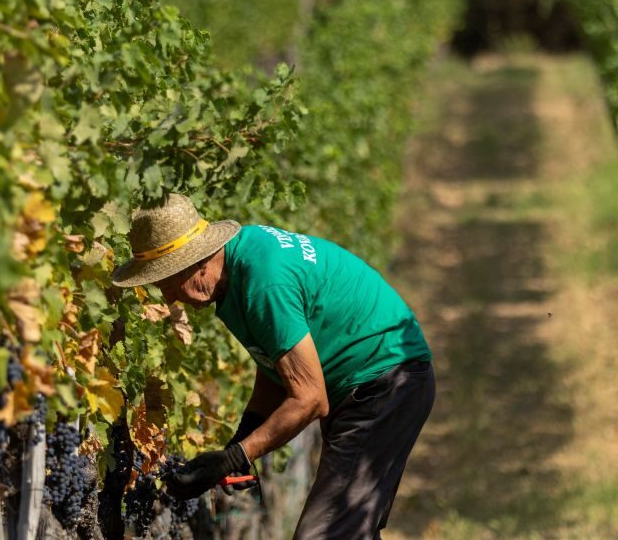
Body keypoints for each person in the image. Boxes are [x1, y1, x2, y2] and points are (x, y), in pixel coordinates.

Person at [111, 193, 435, 540]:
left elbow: (310, 398)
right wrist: (242, 437)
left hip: (386, 383)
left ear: (195, 263)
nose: (170, 298)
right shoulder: (236, 269)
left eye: (166, 282)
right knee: (348, 530)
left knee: (322, 534)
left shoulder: (263, 283)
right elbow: (278, 364)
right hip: (371, 381)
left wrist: (237, 456)